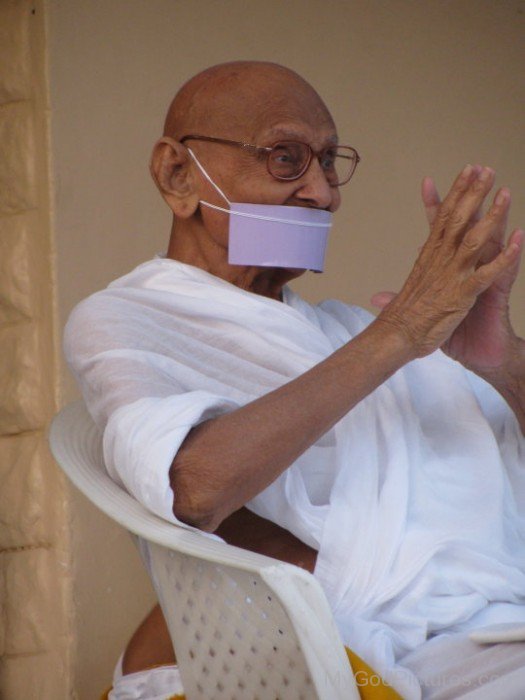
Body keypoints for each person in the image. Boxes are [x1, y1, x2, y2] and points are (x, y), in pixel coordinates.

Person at [64, 61, 525, 699]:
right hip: (353, 644)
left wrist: (500, 363)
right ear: (177, 175)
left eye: (330, 162)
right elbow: (191, 489)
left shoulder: (344, 333)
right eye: (286, 158)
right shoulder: (128, 317)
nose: (323, 192)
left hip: (482, 629)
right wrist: (398, 335)